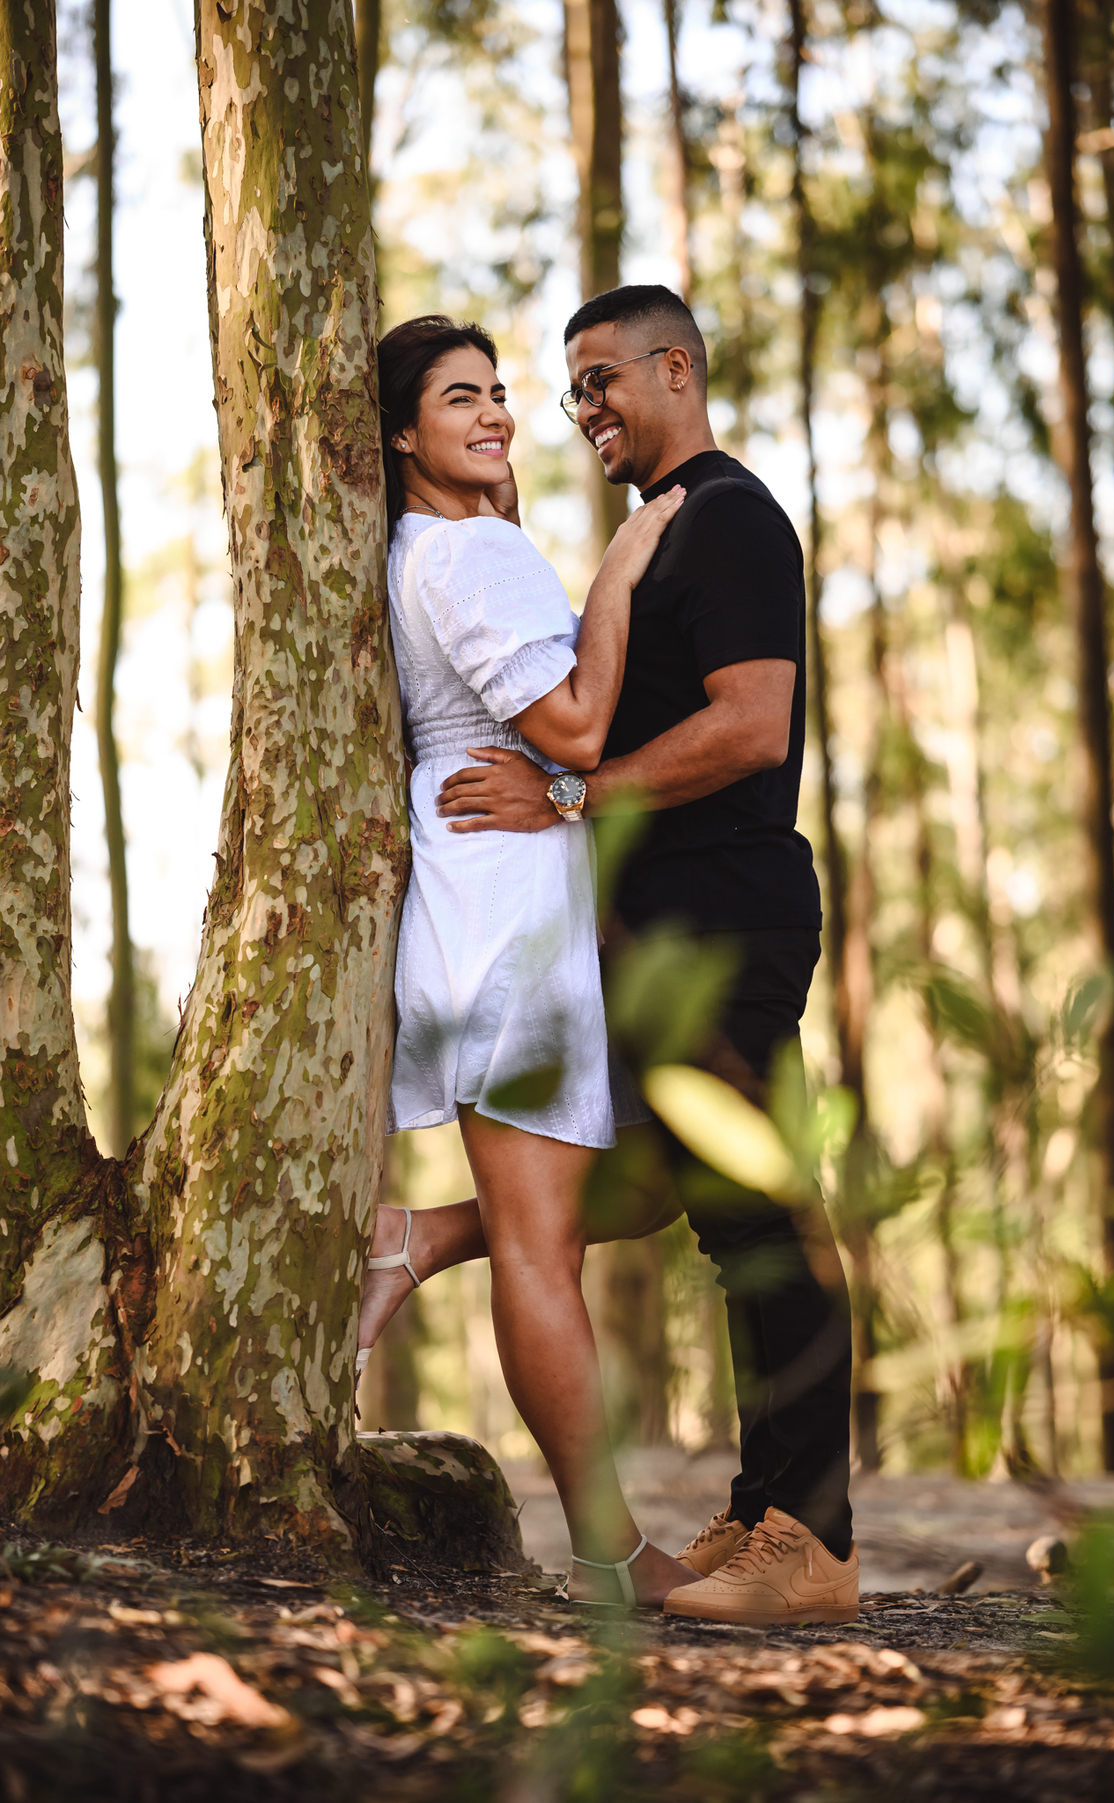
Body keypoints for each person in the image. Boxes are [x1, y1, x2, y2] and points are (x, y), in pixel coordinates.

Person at [434, 285, 858, 1630]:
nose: (585, 410)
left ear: (679, 367)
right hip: (665, 929)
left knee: (763, 1224)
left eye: (604, 378)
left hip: (729, 915)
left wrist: (571, 799)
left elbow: (748, 727)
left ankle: (815, 1545)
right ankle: (761, 1510)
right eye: (575, 391)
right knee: (703, 1205)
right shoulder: (654, 531)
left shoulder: (724, 517)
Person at [357, 313, 698, 1610]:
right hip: (499, 903)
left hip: (490, 896)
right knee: (546, 1245)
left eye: (499, 394)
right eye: (460, 399)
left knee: (633, 1188)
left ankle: (419, 1238)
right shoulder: (474, 550)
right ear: (402, 433)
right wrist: (614, 568)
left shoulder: (420, 547)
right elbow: (576, 722)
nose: (496, 414)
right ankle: (610, 1557)